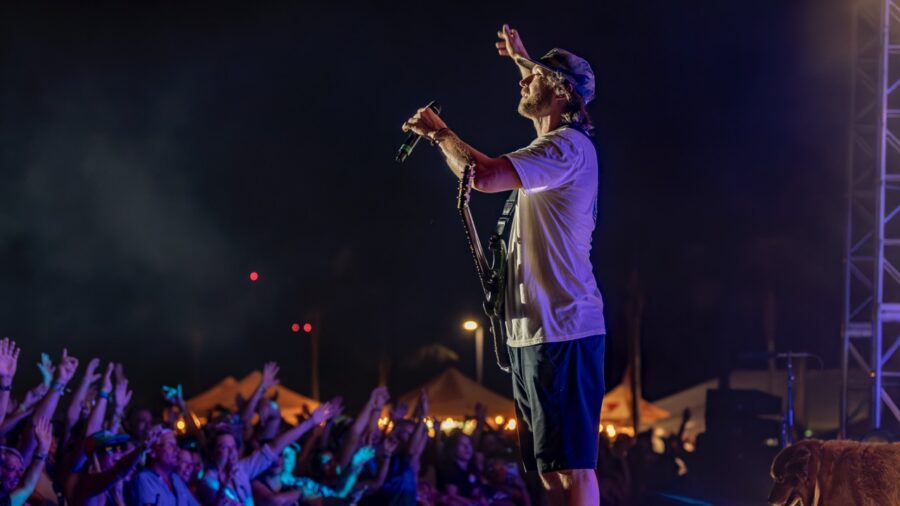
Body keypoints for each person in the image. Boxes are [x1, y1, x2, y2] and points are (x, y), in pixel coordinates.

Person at [402, 23, 606, 505]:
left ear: (559, 93)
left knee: (573, 469)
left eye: (532, 78)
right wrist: (523, 59)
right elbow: (545, 86)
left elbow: (486, 176)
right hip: (535, 332)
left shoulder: (566, 148)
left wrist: (440, 133)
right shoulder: (553, 147)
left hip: (563, 330)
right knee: (550, 471)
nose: (521, 83)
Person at [131, 427, 200, 506]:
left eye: (176, 445)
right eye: (170, 445)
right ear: (153, 452)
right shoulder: (144, 479)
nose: (177, 449)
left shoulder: (175, 478)